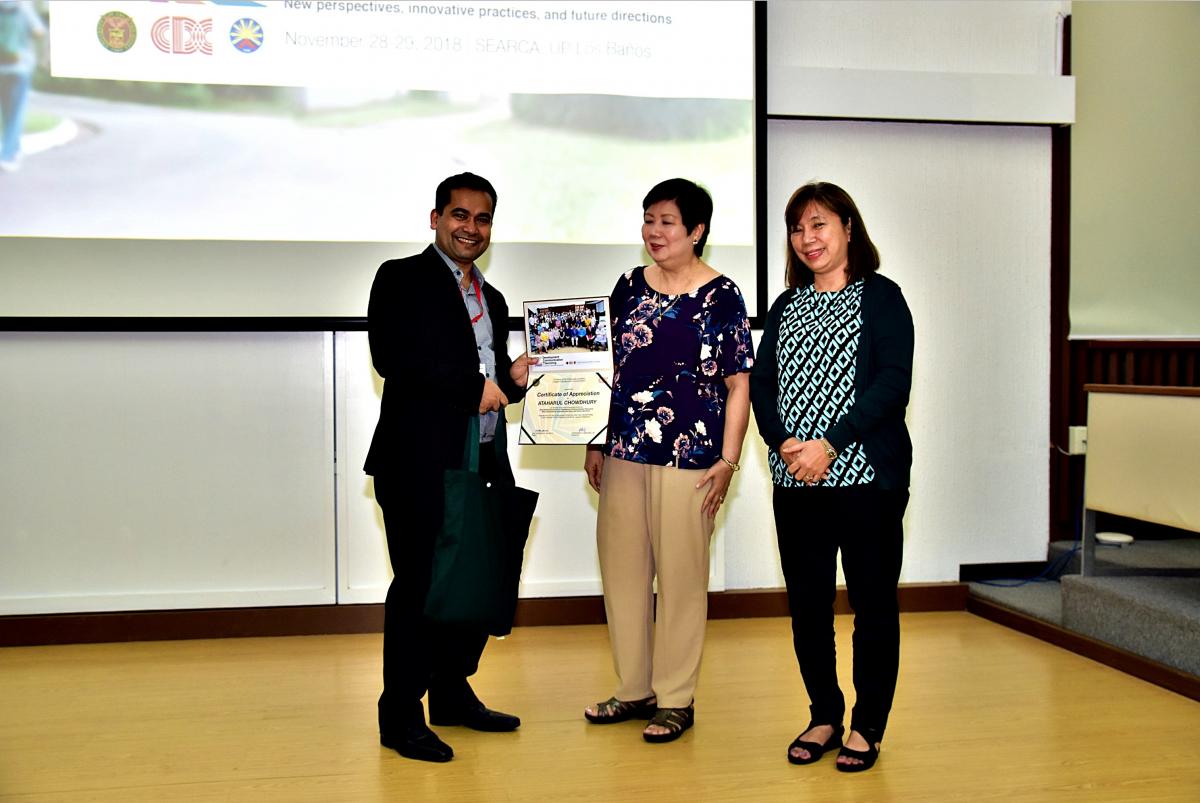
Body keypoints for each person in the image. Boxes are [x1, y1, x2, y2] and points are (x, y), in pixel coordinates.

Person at [364, 172, 535, 763]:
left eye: (482, 218)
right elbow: (395, 359)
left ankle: (451, 694)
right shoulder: (400, 279)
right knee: (419, 588)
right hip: (417, 464)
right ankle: (400, 715)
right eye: (459, 215)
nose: (471, 228)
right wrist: (474, 387)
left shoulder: (495, 300)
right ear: (435, 218)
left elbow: (492, 384)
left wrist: (513, 381)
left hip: (481, 460)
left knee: (478, 580)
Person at [750, 181, 914, 773]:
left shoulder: (882, 297)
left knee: (872, 605)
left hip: (867, 479)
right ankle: (824, 713)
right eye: (797, 229)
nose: (807, 239)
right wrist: (784, 442)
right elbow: (763, 385)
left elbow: (893, 383)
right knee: (808, 607)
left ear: (848, 227)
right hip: (796, 480)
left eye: (818, 225)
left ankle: (868, 724)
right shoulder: (785, 306)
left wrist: (831, 444)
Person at [583, 178, 754, 743]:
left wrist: (727, 463)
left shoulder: (722, 295)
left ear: (697, 231)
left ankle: (676, 698)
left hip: (691, 458)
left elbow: (738, 385)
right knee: (624, 571)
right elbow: (606, 365)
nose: (653, 232)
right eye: (648, 219)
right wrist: (593, 436)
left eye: (667, 222)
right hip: (624, 450)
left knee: (682, 579)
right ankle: (634, 689)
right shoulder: (629, 286)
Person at [0, 0, 45, 172]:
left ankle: (15, 149)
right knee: (16, 113)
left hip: (1, 67)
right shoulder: (23, 7)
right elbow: (38, 32)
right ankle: (8, 156)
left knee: (6, 111)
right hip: (20, 67)